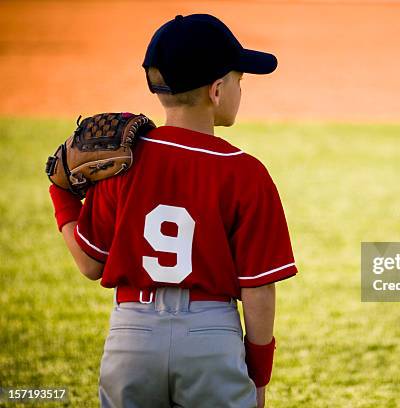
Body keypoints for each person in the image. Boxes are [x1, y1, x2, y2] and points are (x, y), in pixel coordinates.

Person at [48, 14, 298, 408]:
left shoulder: (121, 163)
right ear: (217, 90)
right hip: (209, 336)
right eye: (239, 80)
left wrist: (60, 194)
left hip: (132, 334)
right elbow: (259, 288)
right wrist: (259, 376)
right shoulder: (247, 172)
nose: (239, 89)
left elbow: (91, 263)